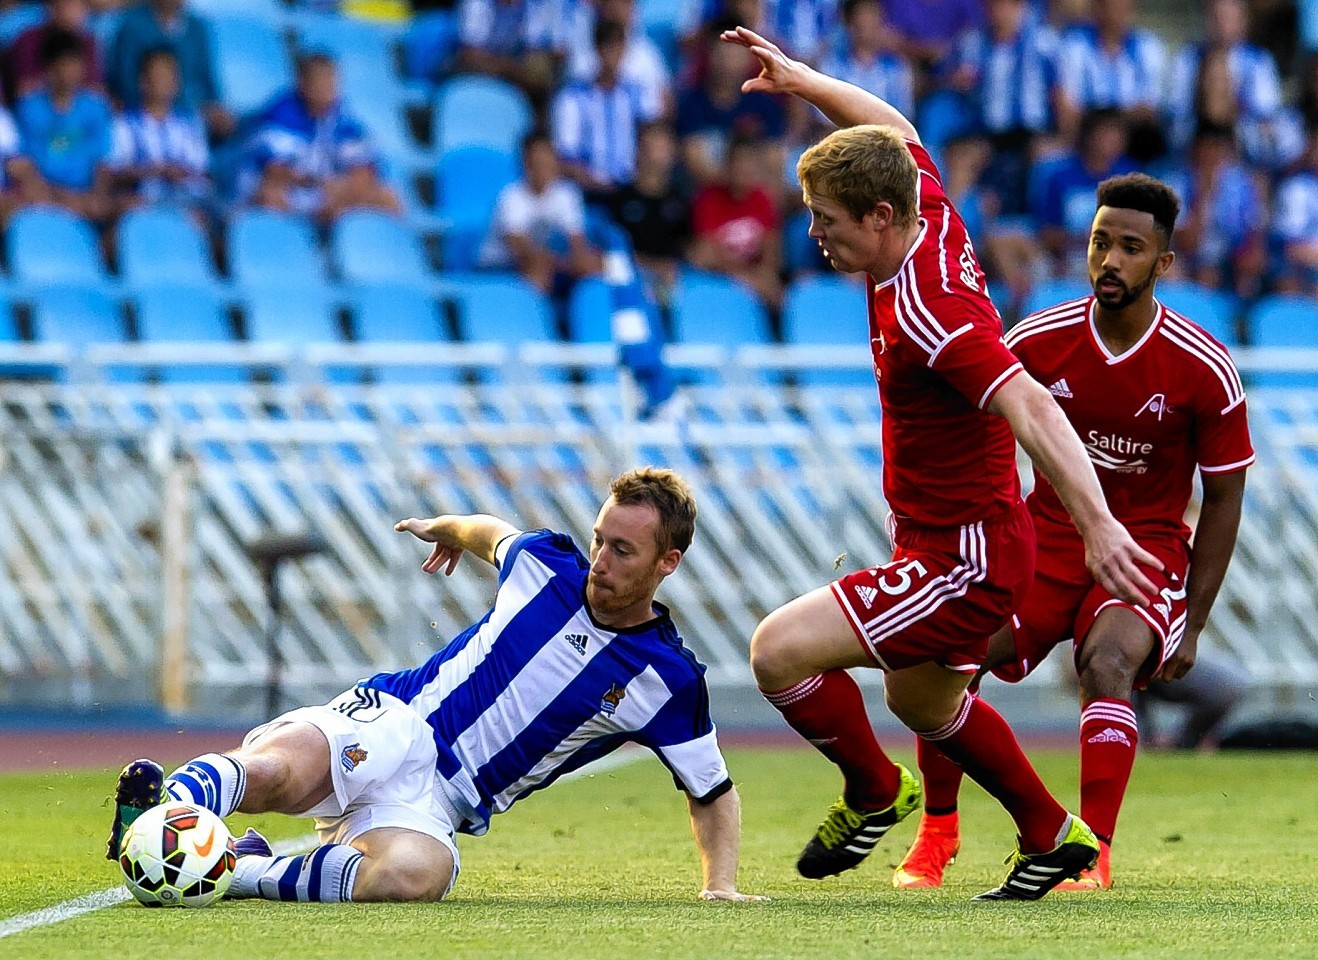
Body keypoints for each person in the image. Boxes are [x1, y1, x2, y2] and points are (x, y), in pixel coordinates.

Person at [720, 25, 1158, 901]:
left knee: (776, 651)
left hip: (961, 557)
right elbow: (891, 124)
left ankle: (876, 789)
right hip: (956, 533)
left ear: (881, 219)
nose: (815, 237)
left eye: (828, 221)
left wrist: (1098, 522)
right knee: (922, 704)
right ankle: (1050, 835)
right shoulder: (921, 201)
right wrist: (807, 80)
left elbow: (1031, 401)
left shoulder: (931, 310)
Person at [105, 467, 765, 905]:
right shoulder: (545, 565)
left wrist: (720, 886)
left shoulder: (667, 678)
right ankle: (161, 811)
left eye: (623, 550)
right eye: (600, 540)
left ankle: (239, 870)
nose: (601, 561)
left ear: (667, 562)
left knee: (415, 877)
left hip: (444, 801)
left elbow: (712, 788)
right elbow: (490, 533)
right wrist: (442, 530)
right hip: (397, 719)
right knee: (280, 773)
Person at [896, 173, 1254, 892]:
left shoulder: (1204, 367)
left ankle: (1094, 854)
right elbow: (972, 434)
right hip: (1046, 537)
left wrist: (1195, 622)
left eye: (1130, 247)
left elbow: (1223, 498)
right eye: (1100, 243)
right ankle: (938, 831)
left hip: (1145, 546)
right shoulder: (1036, 339)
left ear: (1163, 263)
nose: (1110, 261)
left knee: (1109, 665)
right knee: (949, 655)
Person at [240, 53, 400, 223]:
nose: (327, 88)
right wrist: (321, 183)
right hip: (292, 190)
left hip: (325, 193)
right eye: (320, 81)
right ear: (302, 83)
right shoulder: (281, 114)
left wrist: (345, 188)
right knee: (270, 195)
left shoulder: (341, 116)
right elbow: (274, 170)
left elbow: (365, 168)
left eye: (331, 81)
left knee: (387, 197)